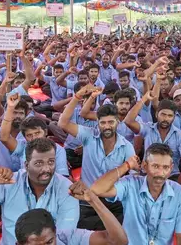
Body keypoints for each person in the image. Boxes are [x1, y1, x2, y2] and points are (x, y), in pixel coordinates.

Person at [0, 138, 80, 245]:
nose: (46, 169)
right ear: (26, 165)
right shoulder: (9, 183)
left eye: (51, 162)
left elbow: (64, 237)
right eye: (39, 163)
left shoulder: (65, 189)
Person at [58, 84, 135, 230]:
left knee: (128, 223)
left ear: (117, 122)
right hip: (87, 197)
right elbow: (62, 122)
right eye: (103, 123)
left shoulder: (127, 147)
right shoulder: (89, 136)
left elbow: (133, 178)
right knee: (73, 223)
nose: (107, 126)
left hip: (113, 199)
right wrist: (77, 96)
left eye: (111, 122)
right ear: (98, 123)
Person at [90, 143, 181, 245]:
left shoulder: (179, 193)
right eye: (155, 166)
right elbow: (96, 189)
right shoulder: (130, 183)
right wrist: (127, 165)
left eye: (165, 167)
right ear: (145, 166)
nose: (160, 173)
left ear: (171, 168)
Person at [14, 202, 127, 245]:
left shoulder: (67, 238)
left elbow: (117, 241)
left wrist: (93, 200)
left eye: (49, 242)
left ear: (56, 232)